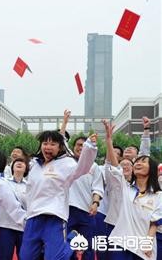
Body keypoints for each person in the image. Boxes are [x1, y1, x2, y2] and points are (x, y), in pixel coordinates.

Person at [19, 130, 98, 259]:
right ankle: (70, 239)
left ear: (60, 147)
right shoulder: (35, 166)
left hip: (54, 217)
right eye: (45, 143)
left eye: (53, 144)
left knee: (55, 258)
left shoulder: (66, 163)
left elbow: (83, 168)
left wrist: (90, 147)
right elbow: (30, 192)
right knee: (26, 257)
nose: (48, 147)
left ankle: (70, 239)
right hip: (33, 217)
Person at [103, 120, 161, 260]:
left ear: (152, 169)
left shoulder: (158, 195)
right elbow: (115, 167)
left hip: (143, 247)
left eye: (143, 161)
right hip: (121, 242)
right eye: (137, 162)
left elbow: (155, 223)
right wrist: (109, 141)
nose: (138, 163)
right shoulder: (125, 187)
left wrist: (147, 242)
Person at [60, 110, 104, 260]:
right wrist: (65, 122)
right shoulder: (67, 161)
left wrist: (95, 202)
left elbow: (97, 187)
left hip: (86, 211)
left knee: (88, 247)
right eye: (78, 145)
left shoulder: (94, 167)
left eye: (84, 145)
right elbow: (61, 141)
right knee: (65, 245)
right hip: (67, 209)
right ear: (73, 147)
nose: (81, 147)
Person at [0, 158, 28, 260]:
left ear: (26, 168)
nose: (19, 163)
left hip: (23, 228)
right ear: (12, 167)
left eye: (22, 162)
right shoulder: (3, 182)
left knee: (24, 257)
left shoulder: (30, 186)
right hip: (5, 226)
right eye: (16, 162)